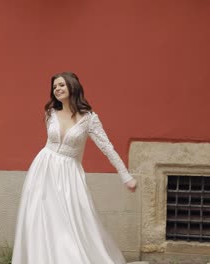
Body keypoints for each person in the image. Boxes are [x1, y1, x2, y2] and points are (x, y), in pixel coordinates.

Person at [12, 72, 137, 264]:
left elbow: (107, 147)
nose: (57, 89)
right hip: (43, 170)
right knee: (41, 219)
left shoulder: (89, 119)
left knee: (72, 223)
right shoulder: (50, 114)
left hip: (69, 175)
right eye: (54, 87)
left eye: (61, 85)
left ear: (72, 86)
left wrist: (125, 176)